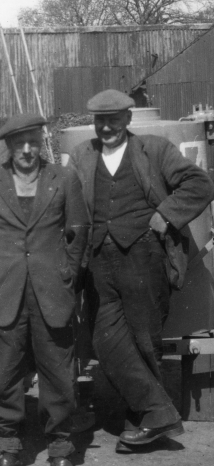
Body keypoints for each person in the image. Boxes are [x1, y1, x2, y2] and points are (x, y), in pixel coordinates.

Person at [67, 89, 214, 452]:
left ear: (127, 120)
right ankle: (158, 413)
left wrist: (166, 215)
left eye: (114, 120)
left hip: (144, 258)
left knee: (145, 340)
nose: (106, 127)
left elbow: (200, 184)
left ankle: (145, 417)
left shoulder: (154, 149)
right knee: (105, 340)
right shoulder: (83, 155)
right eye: (100, 121)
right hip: (99, 261)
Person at [0, 114, 89, 466]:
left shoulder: (64, 178)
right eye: (19, 143)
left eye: (33, 142)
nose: (27, 150)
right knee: (5, 370)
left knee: (57, 367)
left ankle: (60, 446)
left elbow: (78, 231)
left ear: (41, 142)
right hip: (6, 287)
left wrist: (65, 271)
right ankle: (8, 443)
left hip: (51, 287)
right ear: (8, 146)